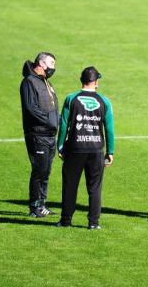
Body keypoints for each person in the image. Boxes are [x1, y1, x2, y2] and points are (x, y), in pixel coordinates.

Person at [56, 66, 115, 230]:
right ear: (96, 82)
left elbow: (64, 125)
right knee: (95, 187)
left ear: (81, 80)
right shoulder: (105, 101)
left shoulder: (71, 98)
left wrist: (60, 146)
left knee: (70, 185)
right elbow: (109, 128)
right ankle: (93, 223)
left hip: (75, 148)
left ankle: (66, 220)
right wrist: (110, 151)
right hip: (96, 150)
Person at [20, 52, 59, 217]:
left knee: (46, 171)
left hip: (49, 135)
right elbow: (30, 108)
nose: (53, 68)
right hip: (38, 134)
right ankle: (34, 207)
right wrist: (49, 121)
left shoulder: (46, 83)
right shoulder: (29, 82)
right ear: (42, 64)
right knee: (39, 170)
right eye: (51, 64)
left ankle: (42, 204)